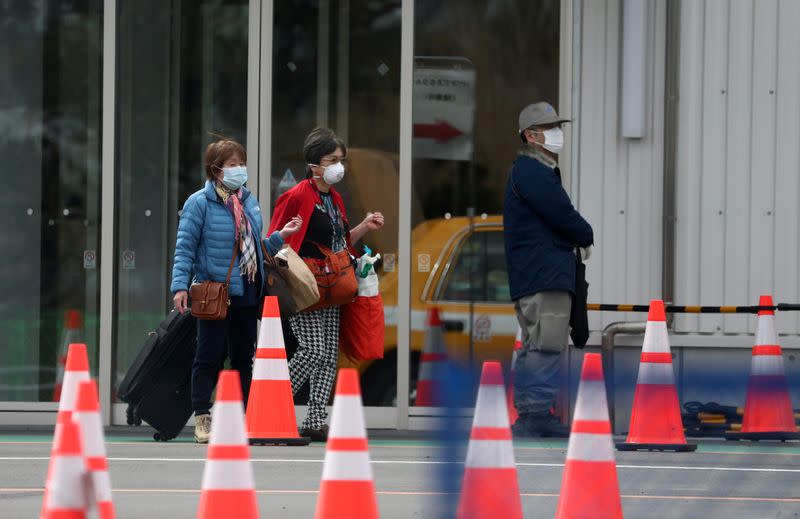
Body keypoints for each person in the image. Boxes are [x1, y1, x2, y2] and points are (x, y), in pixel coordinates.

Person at [171, 138, 303, 443]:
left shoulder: (248, 200)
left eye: (241, 163)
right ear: (216, 170)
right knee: (209, 357)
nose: (239, 169)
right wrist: (180, 287)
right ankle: (203, 417)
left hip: (247, 292)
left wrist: (280, 236)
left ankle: (243, 417)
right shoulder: (199, 203)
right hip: (215, 294)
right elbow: (185, 249)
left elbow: (255, 249)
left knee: (245, 357)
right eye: (232, 165)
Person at [269, 127, 384, 441]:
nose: (339, 166)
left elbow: (341, 243)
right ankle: (268, 402)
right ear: (314, 164)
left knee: (329, 355)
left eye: (341, 159)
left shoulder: (335, 199)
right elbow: (273, 240)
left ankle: (316, 420)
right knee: (313, 351)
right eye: (333, 159)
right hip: (305, 285)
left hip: (334, 286)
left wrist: (364, 226)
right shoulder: (295, 196)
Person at [504, 102, 594, 438]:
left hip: (532, 274)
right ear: (531, 135)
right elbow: (561, 212)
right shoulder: (532, 171)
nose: (558, 134)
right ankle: (537, 413)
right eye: (550, 127)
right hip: (545, 273)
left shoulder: (528, 171)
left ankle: (529, 413)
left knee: (534, 343)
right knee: (547, 343)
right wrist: (586, 234)